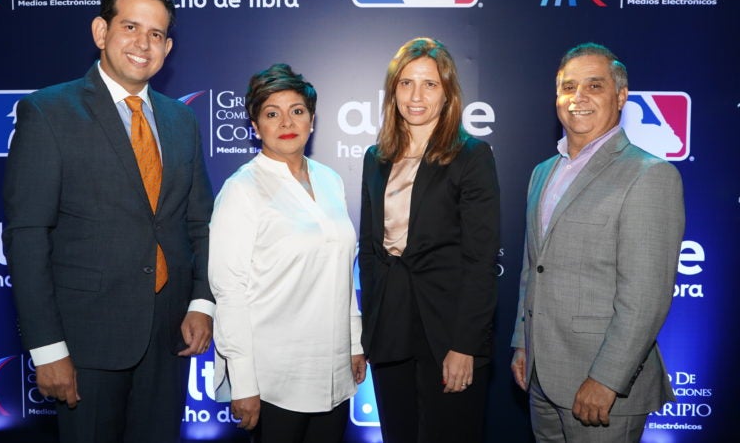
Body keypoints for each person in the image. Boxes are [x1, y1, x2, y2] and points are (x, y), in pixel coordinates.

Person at [2, 0, 214, 442]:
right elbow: (28, 236)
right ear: (101, 32)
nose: (143, 43)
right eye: (130, 27)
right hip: (86, 344)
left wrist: (201, 302)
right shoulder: (48, 112)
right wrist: (47, 348)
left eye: (156, 34)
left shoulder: (182, 120)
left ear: (167, 48)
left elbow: (198, 223)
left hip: (169, 337)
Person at [510, 42, 685, 442]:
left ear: (620, 96)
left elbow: (645, 297)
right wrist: (523, 341)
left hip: (603, 391)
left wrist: (607, 379)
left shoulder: (649, 175)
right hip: (541, 377)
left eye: (594, 86)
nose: (579, 97)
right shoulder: (542, 172)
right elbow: (533, 267)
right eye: (568, 87)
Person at [209, 63, 366, 442]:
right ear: (255, 125)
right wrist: (243, 381)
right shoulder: (241, 189)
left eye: (297, 110)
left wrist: (354, 343)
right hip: (273, 379)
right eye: (271, 114)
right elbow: (229, 292)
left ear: (312, 120)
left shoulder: (329, 180)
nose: (286, 122)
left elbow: (343, 272)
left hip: (333, 372)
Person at [359, 37, 500, 442]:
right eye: (406, 83)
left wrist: (465, 345)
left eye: (429, 84)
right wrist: (369, 331)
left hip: (447, 331)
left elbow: (481, 259)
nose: (416, 96)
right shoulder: (375, 158)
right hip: (390, 328)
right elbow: (370, 251)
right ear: (393, 91)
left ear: (447, 93)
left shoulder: (471, 156)